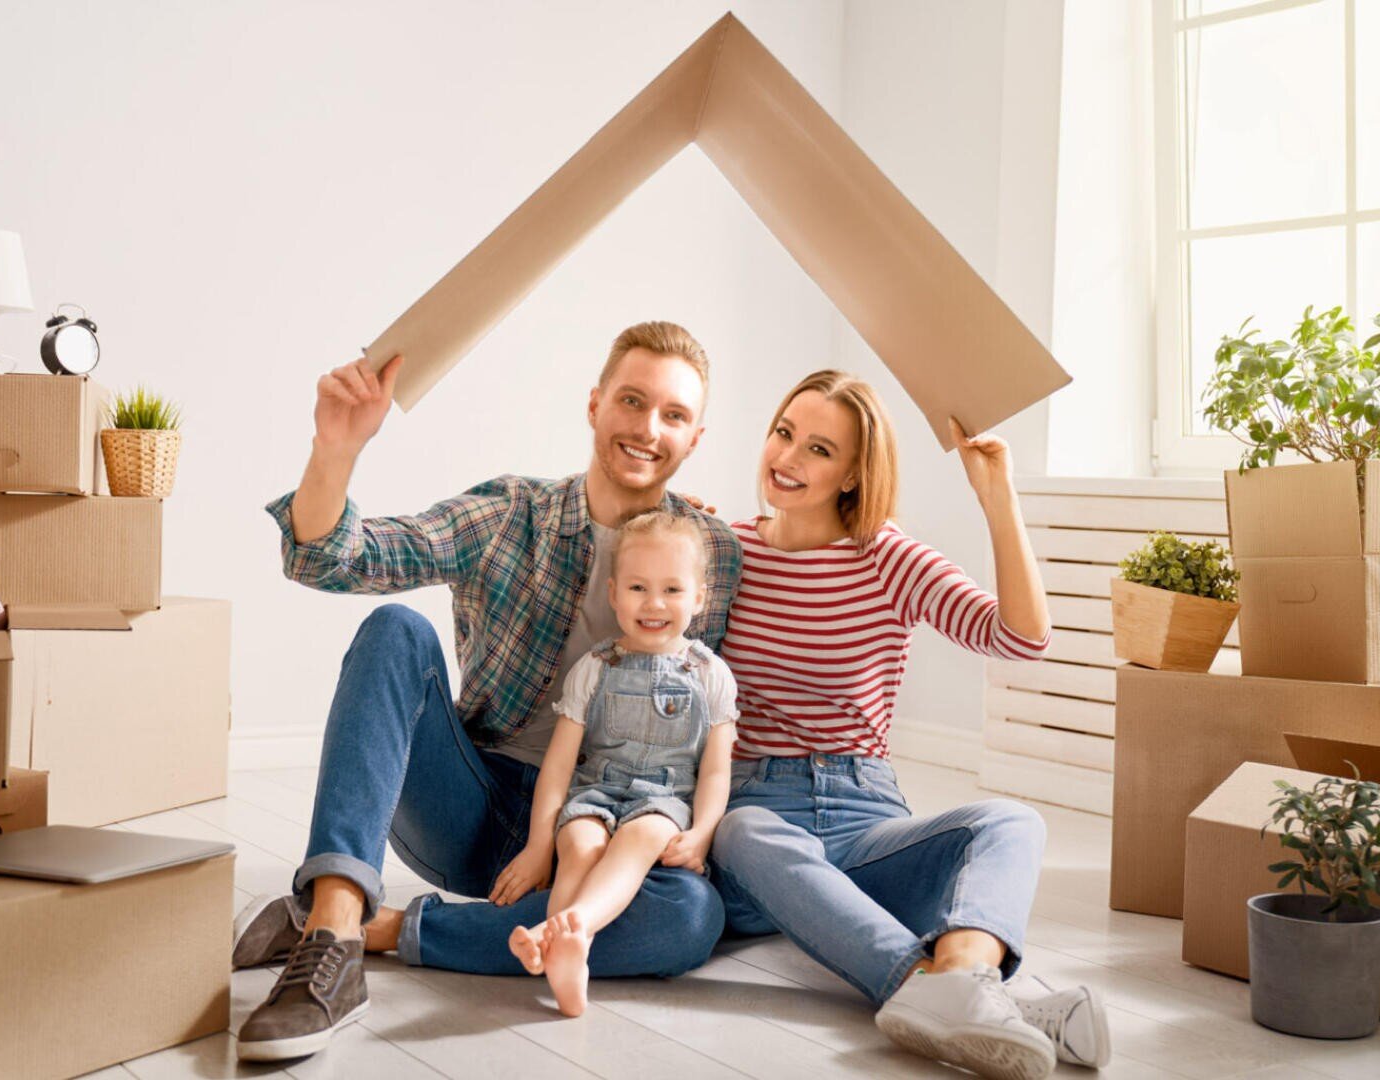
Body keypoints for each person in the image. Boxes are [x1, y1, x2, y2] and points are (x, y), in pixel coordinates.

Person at [232, 322, 741, 1062]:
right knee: (396, 628)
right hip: (474, 807)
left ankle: (383, 929)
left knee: (691, 918)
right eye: (631, 401)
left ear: (694, 439)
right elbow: (334, 559)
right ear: (595, 405)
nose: (647, 428)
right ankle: (335, 929)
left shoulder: (715, 554)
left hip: (609, 831)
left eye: (673, 415)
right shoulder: (512, 513)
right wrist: (335, 449)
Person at [709, 370, 1111, 1080]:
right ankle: (965, 998)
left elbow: (1020, 639)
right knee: (743, 830)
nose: (788, 458)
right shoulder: (722, 550)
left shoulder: (886, 557)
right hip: (756, 821)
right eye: (783, 433)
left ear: (854, 474)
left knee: (1013, 823)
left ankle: (959, 982)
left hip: (867, 818)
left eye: (819, 449)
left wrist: (998, 498)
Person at [496, 510, 738, 1017]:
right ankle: (569, 953)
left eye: (672, 590)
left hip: (663, 799)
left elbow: (716, 771)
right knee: (581, 845)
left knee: (640, 838)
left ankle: (564, 930)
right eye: (637, 588)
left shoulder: (711, 674)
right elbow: (559, 766)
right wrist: (542, 844)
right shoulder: (594, 668)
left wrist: (703, 833)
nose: (653, 603)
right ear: (613, 593)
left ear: (700, 598)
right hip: (596, 792)